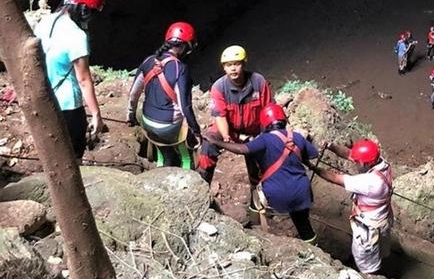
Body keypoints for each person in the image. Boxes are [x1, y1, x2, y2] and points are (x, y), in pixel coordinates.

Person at [203, 103, 318, 242]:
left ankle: (254, 229)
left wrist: (216, 142)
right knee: (304, 226)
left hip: (277, 194)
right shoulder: (297, 137)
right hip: (302, 191)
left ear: (264, 124)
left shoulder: (263, 139)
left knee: (255, 197)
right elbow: (313, 154)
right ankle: (313, 250)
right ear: (284, 121)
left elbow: (242, 149)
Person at [35, 0, 106, 163]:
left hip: (43, 99)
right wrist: (96, 115)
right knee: (73, 156)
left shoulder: (43, 24)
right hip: (68, 107)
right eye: (90, 12)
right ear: (83, 10)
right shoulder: (77, 36)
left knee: (52, 154)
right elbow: (83, 80)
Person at [310, 139, 393, 274]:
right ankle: (380, 264)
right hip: (382, 221)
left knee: (366, 261)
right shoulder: (381, 164)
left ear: (367, 163)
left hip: (368, 230)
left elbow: (336, 178)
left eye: (358, 163)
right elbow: (350, 154)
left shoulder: (370, 182)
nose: (355, 164)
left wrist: (313, 167)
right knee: (380, 250)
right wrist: (331, 146)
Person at [127, 22, 202, 170]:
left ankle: (162, 166)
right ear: (184, 46)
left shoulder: (148, 61)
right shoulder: (180, 69)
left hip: (147, 122)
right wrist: (196, 131)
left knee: (163, 151)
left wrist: (130, 115)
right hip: (169, 127)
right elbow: (184, 106)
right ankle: (186, 173)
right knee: (187, 156)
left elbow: (133, 94)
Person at [197, 45, 273, 185]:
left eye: (237, 64)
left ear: (243, 64)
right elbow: (220, 115)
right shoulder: (219, 87)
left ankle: (258, 198)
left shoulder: (258, 81)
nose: (233, 68)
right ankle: (203, 186)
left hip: (255, 130)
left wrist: (266, 136)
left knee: (259, 160)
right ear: (224, 67)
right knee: (208, 144)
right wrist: (226, 136)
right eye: (228, 65)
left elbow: (268, 109)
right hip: (230, 129)